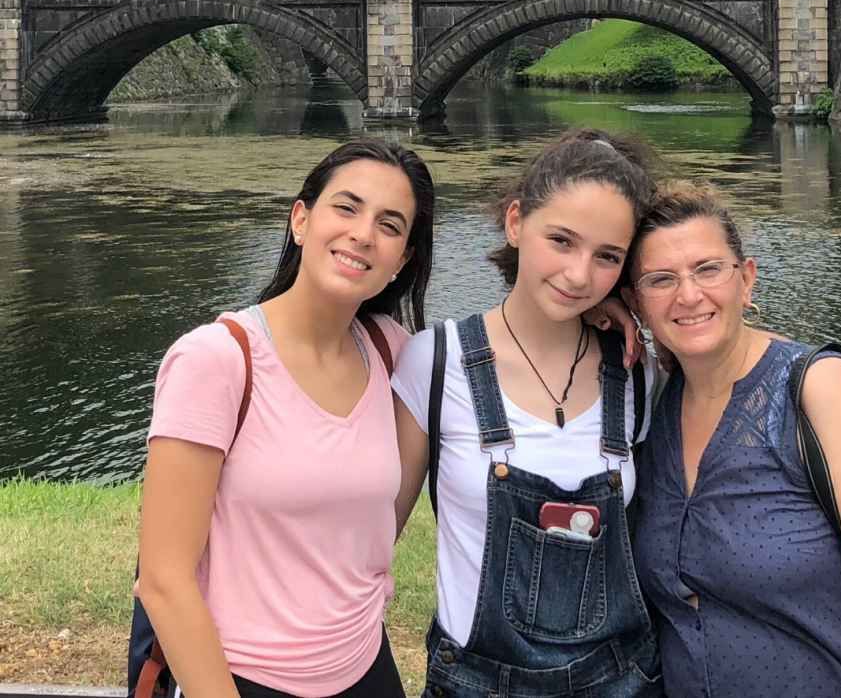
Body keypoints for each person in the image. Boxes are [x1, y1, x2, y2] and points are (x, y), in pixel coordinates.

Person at [624, 181, 841, 698]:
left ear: (746, 280)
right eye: (661, 280)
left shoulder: (817, 389)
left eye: (709, 269)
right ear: (635, 301)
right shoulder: (653, 404)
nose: (689, 295)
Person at [138, 139, 436, 698]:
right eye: (346, 208)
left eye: (390, 225)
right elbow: (163, 580)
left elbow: (503, 356)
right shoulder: (216, 360)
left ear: (403, 261)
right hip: (243, 677)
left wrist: (601, 314)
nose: (363, 233)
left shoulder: (395, 352)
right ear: (301, 220)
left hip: (367, 668)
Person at [389, 129, 663, 698]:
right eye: (561, 240)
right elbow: (371, 539)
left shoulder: (640, 371)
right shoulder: (435, 363)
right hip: (474, 680)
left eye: (607, 257)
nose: (579, 275)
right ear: (516, 223)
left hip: (621, 679)